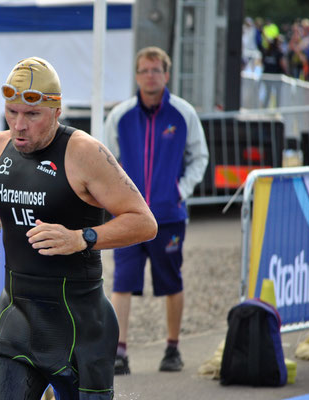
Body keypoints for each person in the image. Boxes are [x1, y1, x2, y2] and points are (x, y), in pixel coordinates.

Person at [0, 56, 157, 399]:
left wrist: (81, 238)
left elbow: (144, 222)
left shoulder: (83, 153)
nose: (19, 125)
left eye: (32, 115)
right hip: (18, 312)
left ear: (56, 111)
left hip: (77, 321)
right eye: (12, 112)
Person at [103, 46, 209, 375]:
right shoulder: (120, 116)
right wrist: (113, 200)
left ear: (166, 74)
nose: (150, 76)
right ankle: (119, 352)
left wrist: (181, 190)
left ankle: (172, 349)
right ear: (136, 75)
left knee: (171, 282)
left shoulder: (183, 114)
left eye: (156, 70)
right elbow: (105, 161)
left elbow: (199, 157)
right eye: (144, 70)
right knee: (122, 284)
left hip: (168, 217)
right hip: (127, 219)